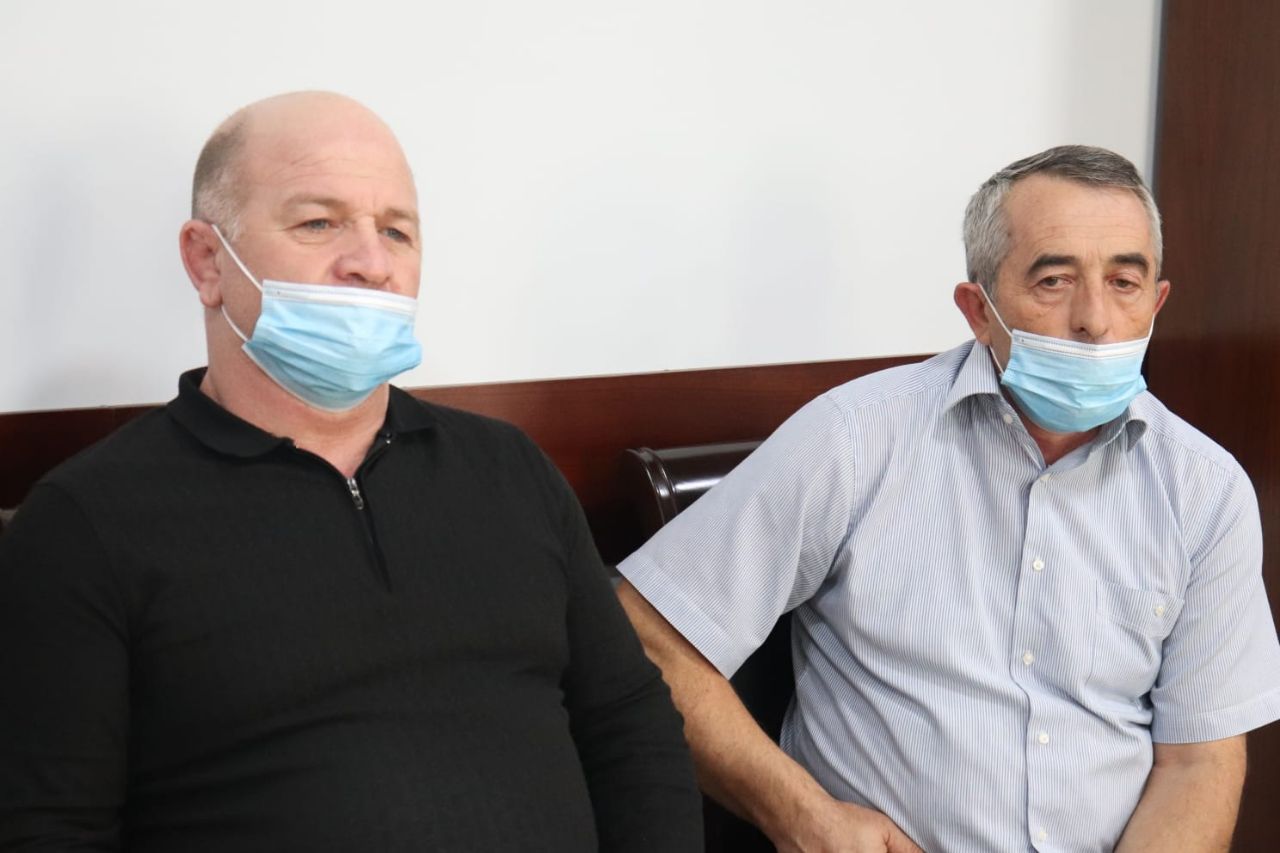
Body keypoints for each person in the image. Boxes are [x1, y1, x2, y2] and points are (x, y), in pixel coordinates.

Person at [0, 91, 702, 852]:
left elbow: (629, 726)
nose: (372, 263)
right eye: (319, 223)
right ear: (207, 261)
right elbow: (50, 827)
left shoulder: (510, 470)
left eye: (396, 231)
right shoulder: (87, 522)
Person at [616, 145, 1280, 852]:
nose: (1095, 318)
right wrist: (801, 815)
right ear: (978, 310)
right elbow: (646, 634)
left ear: (1157, 301)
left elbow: (1199, 761)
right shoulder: (853, 439)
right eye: (1054, 281)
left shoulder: (1205, 490)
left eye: (1124, 282)